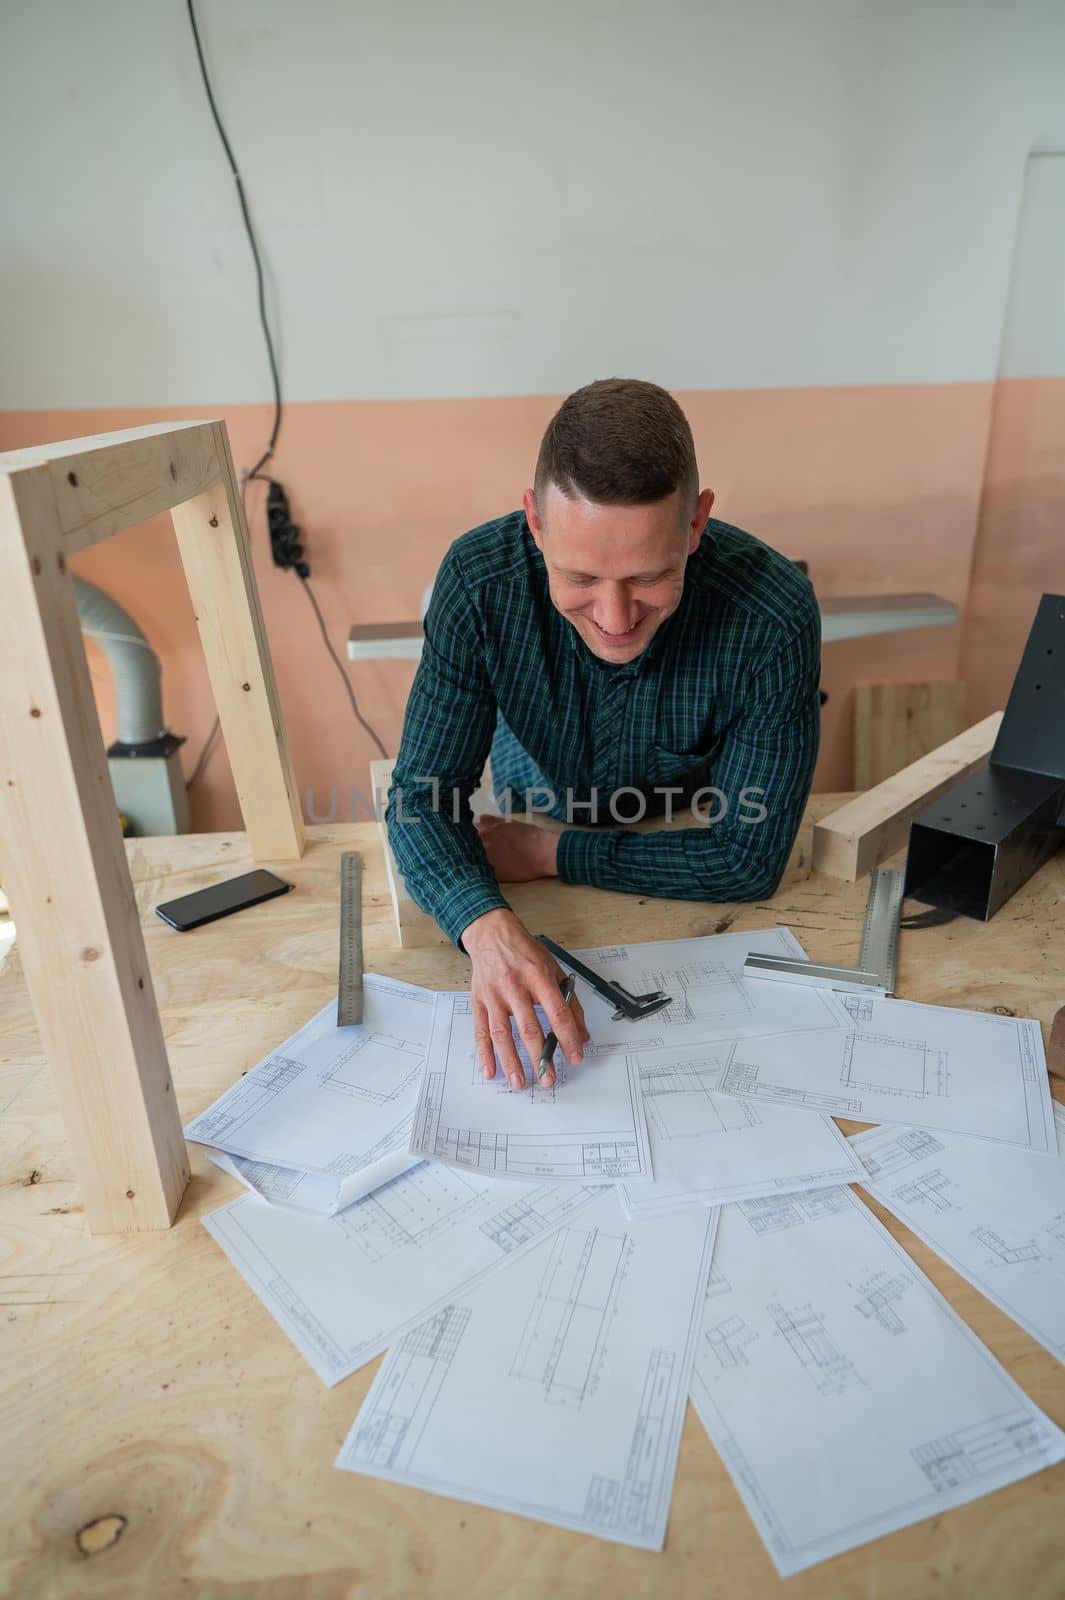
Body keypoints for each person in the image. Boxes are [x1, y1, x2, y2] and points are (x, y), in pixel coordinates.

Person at [386, 378, 821, 1091]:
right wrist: (485, 927)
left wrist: (552, 851)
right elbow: (419, 798)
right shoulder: (477, 581)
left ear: (695, 524)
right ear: (534, 522)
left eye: (649, 577)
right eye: (579, 576)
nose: (615, 618)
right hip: (532, 794)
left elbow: (746, 859)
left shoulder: (771, 612)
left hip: (679, 828)